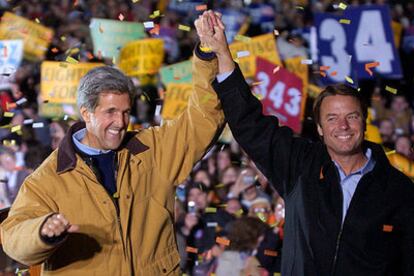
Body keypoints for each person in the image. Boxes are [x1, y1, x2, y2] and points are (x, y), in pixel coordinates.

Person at [0, 16, 225, 275]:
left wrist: (207, 53)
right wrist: (42, 231)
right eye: (110, 112)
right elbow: (14, 238)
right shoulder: (48, 179)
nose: (120, 122)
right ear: (86, 113)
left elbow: (204, 120)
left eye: (126, 111)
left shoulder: (153, 150)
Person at [195, 11, 414, 275]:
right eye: (332, 118)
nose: (342, 126)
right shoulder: (300, 164)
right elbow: (250, 125)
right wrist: (222, 54)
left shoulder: (399, 190)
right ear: (320, 128)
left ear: (364, 123)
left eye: (351, 117)